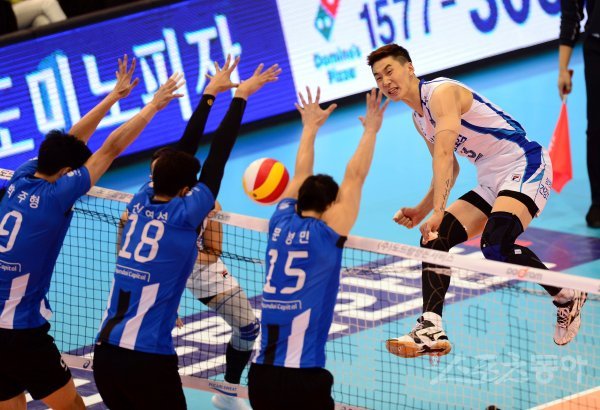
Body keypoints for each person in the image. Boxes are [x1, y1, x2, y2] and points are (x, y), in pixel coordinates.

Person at [365, 44, 588, 359]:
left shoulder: (441, 94)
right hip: (490, 179)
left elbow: (445, 155)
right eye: (378, 77)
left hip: (524, 163)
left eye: (390, 71)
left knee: (496, 244)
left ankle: (567, 295)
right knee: (435, 239)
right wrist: (422, 210)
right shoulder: (419, 118)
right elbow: (451, 169)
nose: (386, 81)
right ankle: (431, 326)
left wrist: (439, 210)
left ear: (409, 68)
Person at [93, 60, 280, 410]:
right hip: (148, 359)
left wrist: (210, 95)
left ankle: (228, 389)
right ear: (185, 190)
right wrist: (240, 96)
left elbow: (184, 150)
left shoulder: (140, 198)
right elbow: (218, 153)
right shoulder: (185, 215)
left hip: (104, 355)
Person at [0, 55, 181, 409]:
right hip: (21, 332)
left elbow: (71, 140)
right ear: (66, 172)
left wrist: (113, 96)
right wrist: (152, 106)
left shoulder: (21, 176)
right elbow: (110, 149)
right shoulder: (57, 196)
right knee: (71, 406)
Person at [248, 87, 389, 410]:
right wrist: (370, 129)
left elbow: (300, 174)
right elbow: (355, 176)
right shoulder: (327, 233)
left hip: (260, 376)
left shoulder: (279, 220)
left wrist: (309, 127)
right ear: (329, 206)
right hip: (303, 375)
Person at [183, 198, 259, 410]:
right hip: (166, 270)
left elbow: (213, 252)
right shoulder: (152, 203)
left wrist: (181, 252)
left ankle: (228, 392)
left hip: (202, 270)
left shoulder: (209, 204)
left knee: (248, 328)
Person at [558, 0, 600, 227]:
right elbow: (570, 14)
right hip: (597, 48)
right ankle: (598, 202)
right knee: (596, 129)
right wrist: (563, 69)